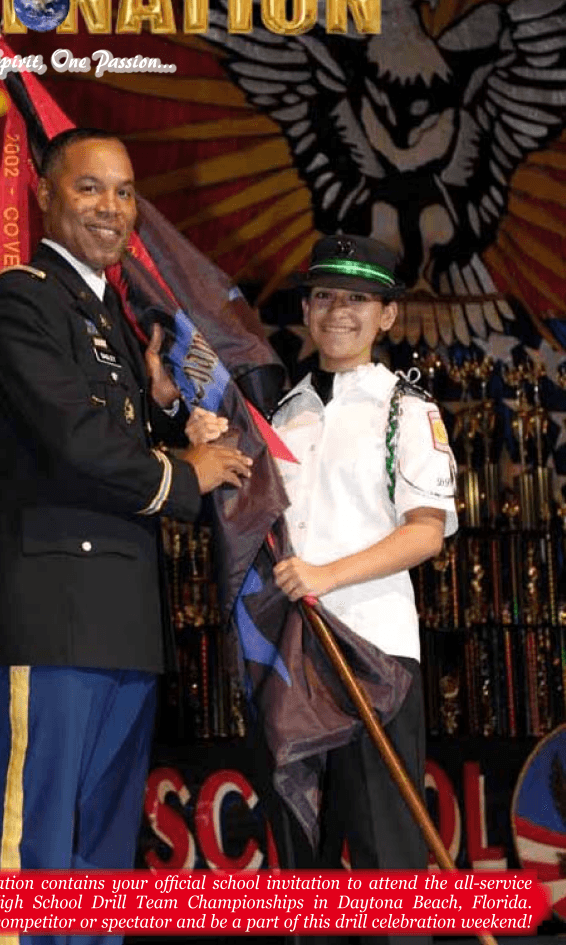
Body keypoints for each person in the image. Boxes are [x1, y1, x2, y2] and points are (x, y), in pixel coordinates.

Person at [0, 128, 251, 943]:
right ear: (45, 194)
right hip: (52, 611)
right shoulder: (22, 298)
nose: (111, 207)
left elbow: (117, 433)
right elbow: (75, 442)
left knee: (101, 864)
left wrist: (163, 406)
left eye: (124, 192)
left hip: (123, 615)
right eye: (90, 188)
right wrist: (187, 472)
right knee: (37, 850)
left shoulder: (110, 315)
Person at [270, 234, 456, 945]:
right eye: (324, 295)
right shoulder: (283, 412)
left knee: (388, 860)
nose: (338, 311)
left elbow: (425, 533)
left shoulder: (406, 408)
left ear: (388, 315)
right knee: (302, 864)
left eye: (358, 298)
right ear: (306, 310)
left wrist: (324, 577)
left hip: (375, 656)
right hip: (292, 659)